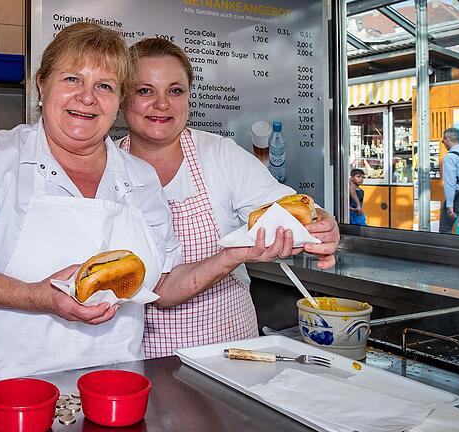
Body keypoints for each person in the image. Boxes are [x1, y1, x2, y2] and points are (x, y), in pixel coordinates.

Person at [0, 23, 295, 384]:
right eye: (72, 80)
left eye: (105, 86)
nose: (87, 97)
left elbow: (162, 284)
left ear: (118, 101)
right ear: (41, 85)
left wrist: (231, 255)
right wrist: (38, 297)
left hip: (108, 387)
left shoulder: (139, 178)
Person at [118, 38, 340, 358]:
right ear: (124, 97)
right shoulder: (107, 167)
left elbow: (282, 206)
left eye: (175, 90)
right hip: (145, 354)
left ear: (189, 96)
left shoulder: (219, 154)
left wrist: (321, 222)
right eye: (145, 90)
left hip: (230, 348)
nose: (162, 103)